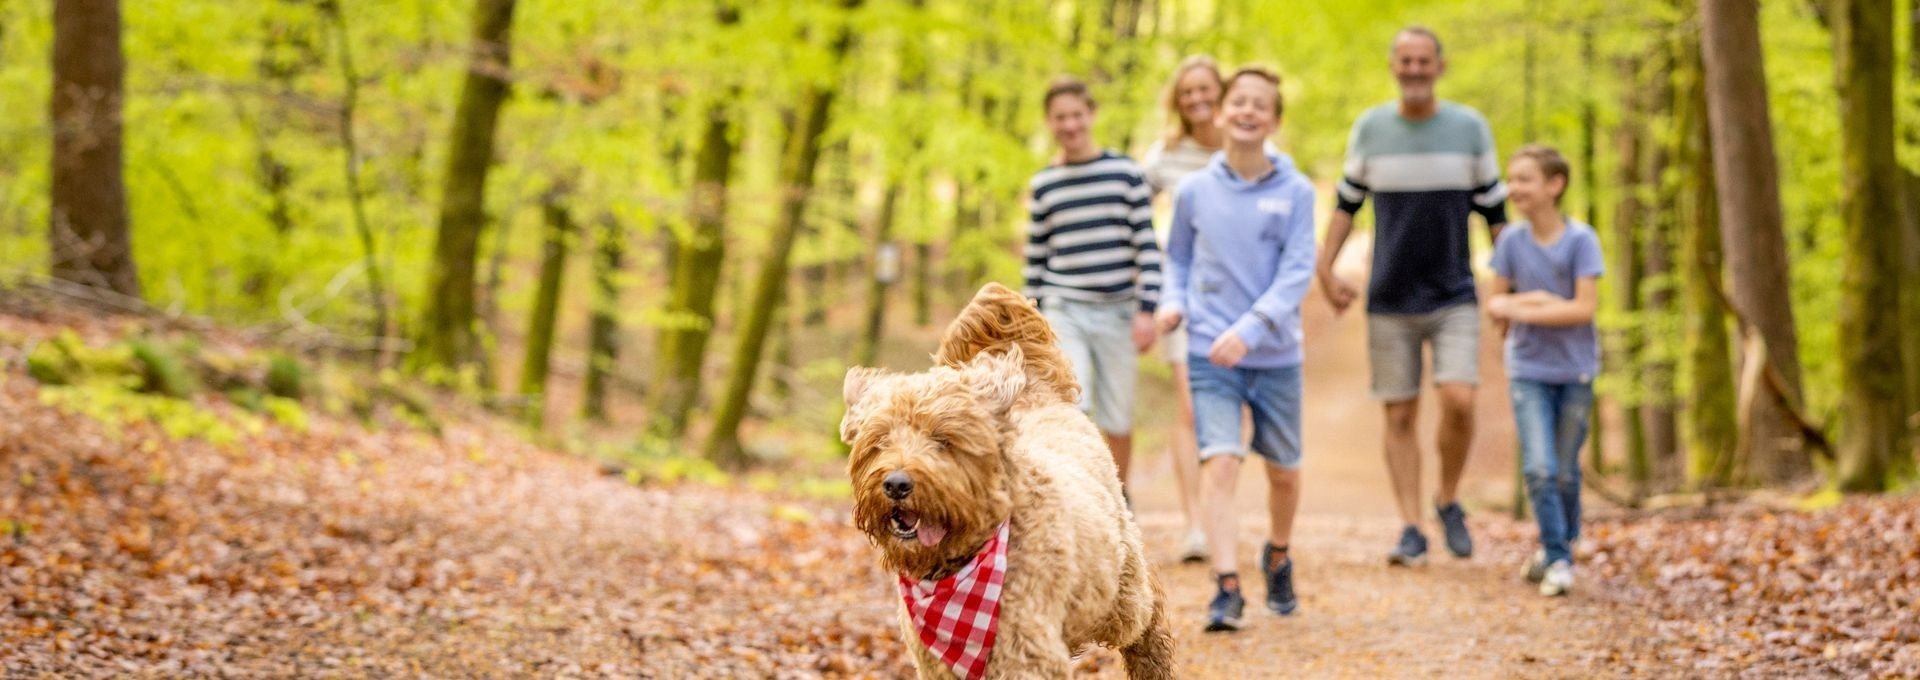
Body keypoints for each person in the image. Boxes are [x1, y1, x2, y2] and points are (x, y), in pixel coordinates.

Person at [1317, 26, 1508, 566]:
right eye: (1406, 60)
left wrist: (1511, 289)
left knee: (1459, 400)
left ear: (1439, 67)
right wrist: (1324, 269)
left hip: (1454, 294)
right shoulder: (1371, 128)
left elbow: (1497, 216)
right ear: (1393, 66)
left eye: (1424, 60)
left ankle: (1447, 498)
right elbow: (1345, 205)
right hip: (1390, 296)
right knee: (1399, 414)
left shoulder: (1469, 128)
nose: (1415, 69)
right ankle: (1410, 526)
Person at [1158, 66, 1315, 631]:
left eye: (1261, 106)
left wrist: (1251, 328)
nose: (1248, 111)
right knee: (1220, 462)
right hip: (1207, 351)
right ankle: (1226, 586)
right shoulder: (1196, 189)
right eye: (1239, 102)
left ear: (1272, 120)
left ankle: (1277, 553)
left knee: (1284, 474)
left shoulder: (1295, 192)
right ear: (1223, 112)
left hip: (1274, 357)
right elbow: (1175, 258)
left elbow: (1298, 272)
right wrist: (1171, 303)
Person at [1024, 76, 1161, 497]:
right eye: (1060, 117)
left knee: (1117, 417)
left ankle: (1119, 497)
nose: (1069, 125)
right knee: (1073, 408)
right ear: (1049, 122)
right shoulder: (1044, 184)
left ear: (1091, 115)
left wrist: (1147, 311)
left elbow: (1147, 246)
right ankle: (1081, 497)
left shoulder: (1125, 174)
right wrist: (1032, 321)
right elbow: (1036, 259)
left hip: (1118, 309)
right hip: (1065, 309)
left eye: (1076, 115)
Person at [1486, 145, 1602, 597]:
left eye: (1524, 180)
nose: (1513, 189)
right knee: (1539, 467)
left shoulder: (1581, 241)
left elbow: (1583, 310)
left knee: (1565, 472)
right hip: (1528, 369)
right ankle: (1558, 557)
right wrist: (1542, 302)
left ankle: (1558, 546)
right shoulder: (1510, 243)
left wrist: (1525, 305)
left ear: (1554, 185)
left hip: (1575, 370)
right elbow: (1495, 307)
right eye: (1511, 180)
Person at [1140, 55, 1225, 563]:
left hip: (1236, 299)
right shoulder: (1165, 155)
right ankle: (1195, 523)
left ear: (1222, 93)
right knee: (1190, 408)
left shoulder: (1245, 149)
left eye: (1205, 90)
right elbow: (1129, 206)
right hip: (1181, 295)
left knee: (1225, 413)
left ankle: (1220, 513)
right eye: (1187, 92)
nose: (1197, 100)